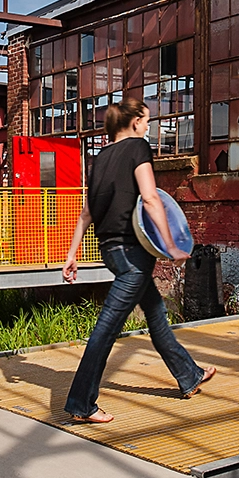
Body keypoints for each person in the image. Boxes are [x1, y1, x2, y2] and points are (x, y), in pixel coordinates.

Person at [61, 97, 215, 423]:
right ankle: (81, 403)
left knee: (156, 315)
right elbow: (150, 198)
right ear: (134, 123)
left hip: (110, 251)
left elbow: (88, 212)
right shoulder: (138, 148)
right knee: (105, 330)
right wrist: (171, 245)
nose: (148, 126)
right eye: (146, 120)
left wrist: (72, 253)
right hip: (134, 254)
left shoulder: (99, 158)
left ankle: (189, 375)